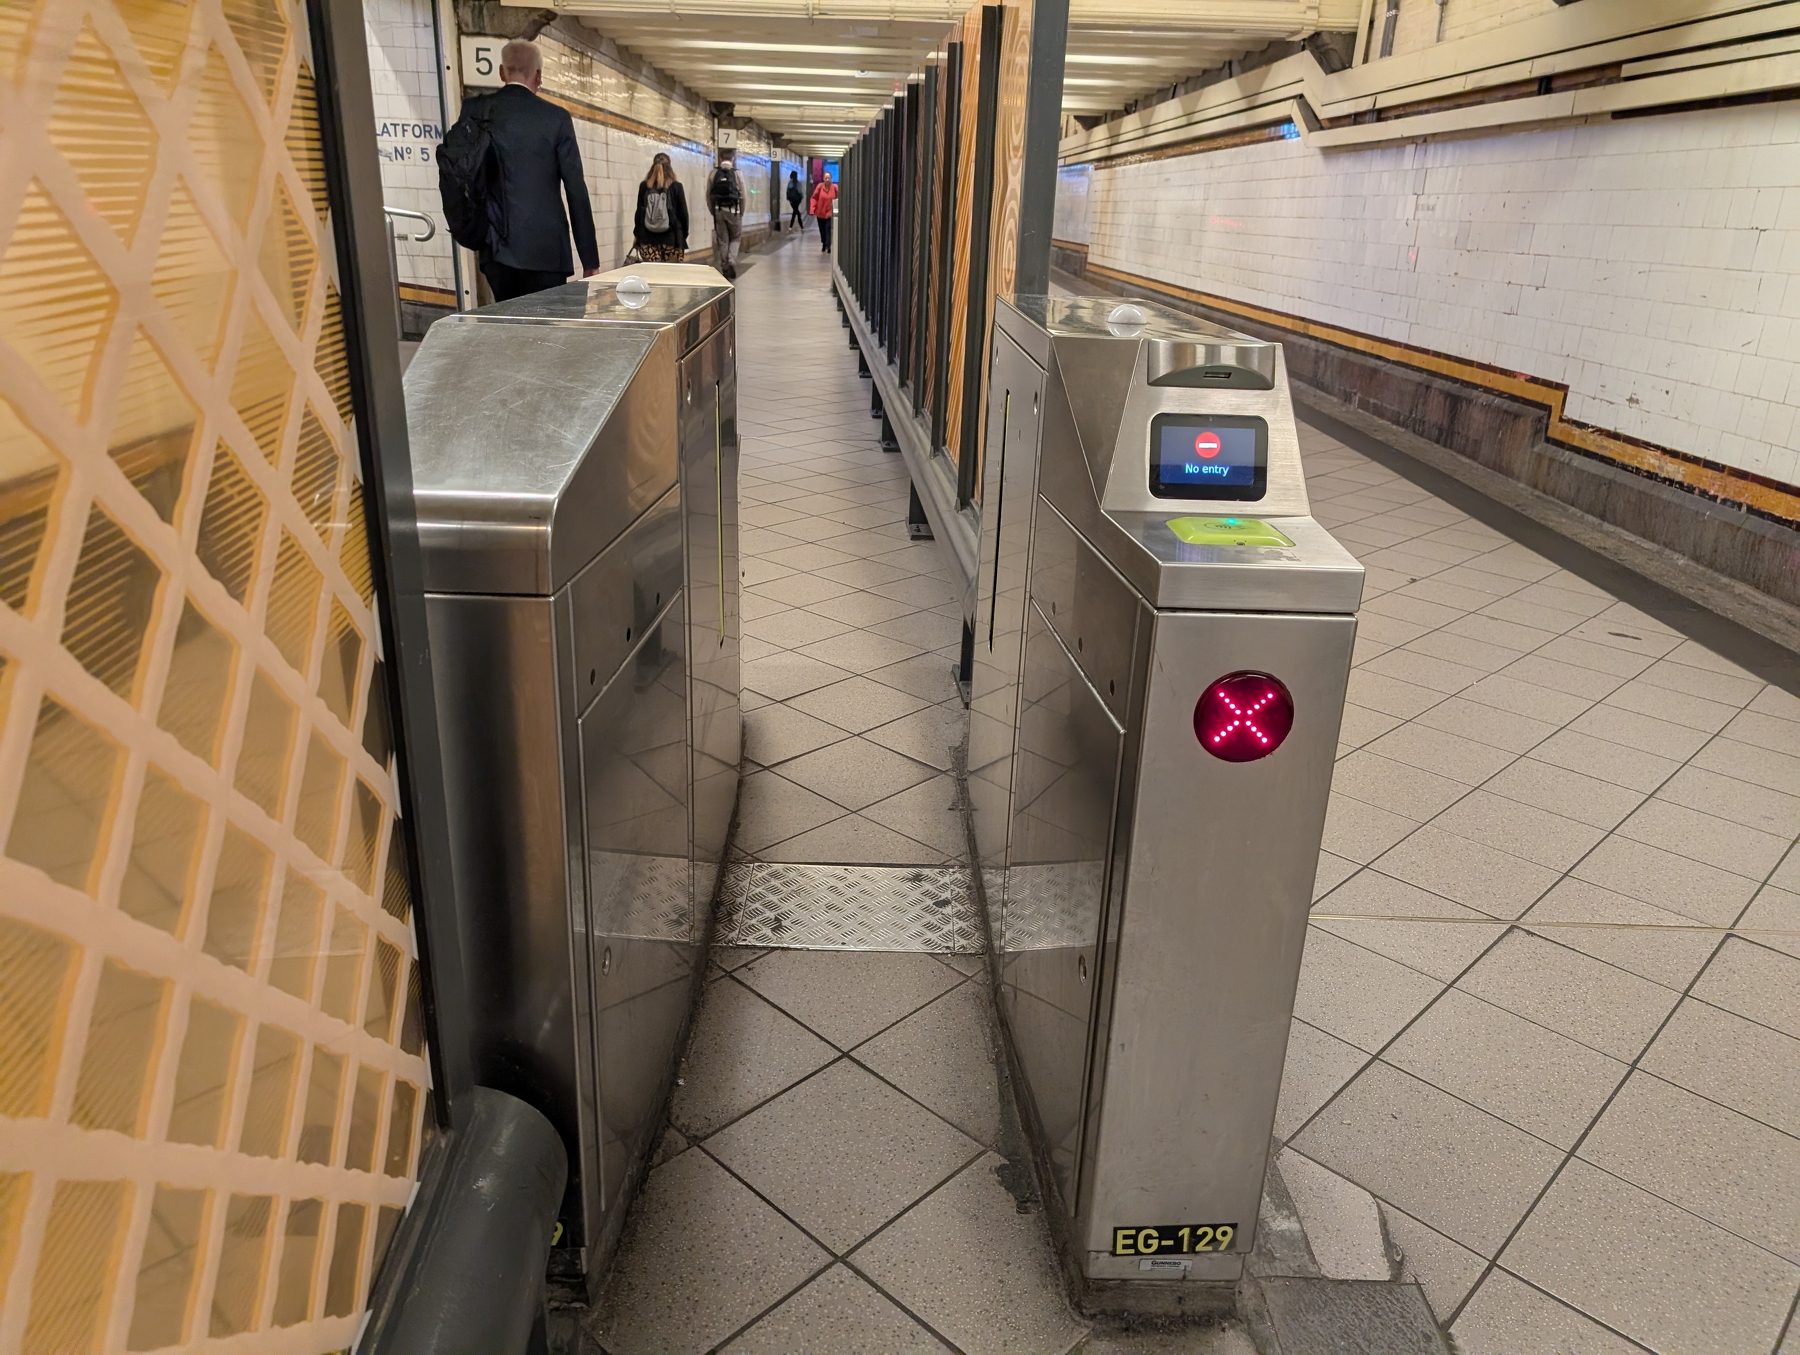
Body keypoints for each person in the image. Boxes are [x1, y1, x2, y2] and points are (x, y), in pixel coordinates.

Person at [470, 40, 598, 302]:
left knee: (508, 326)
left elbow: (468, 175)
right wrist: (589, 258)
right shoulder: (556, 118)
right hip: (546, 252)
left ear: (502, 72)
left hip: (497, 249)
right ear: (538, 75)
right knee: (546, 333)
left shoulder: (478, 111)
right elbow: (575, 189)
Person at [633, 153, 689, 262]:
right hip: (672, 239)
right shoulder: (676, 187)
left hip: (647, 239)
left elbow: (639, 213)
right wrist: (682, 235)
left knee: (652, 275)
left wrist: (637, 235)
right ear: (670, 167)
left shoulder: (644, 186)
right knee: (671, 276)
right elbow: (683, 215)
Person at [706, 152, 746, 278]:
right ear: (732, 159)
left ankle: (724, 266)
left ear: (721, 158)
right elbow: (743, 195)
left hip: (719, 211)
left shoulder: (713, 173)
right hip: (734, 211)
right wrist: (741, 212)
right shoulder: (737, 173)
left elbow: (708, 194)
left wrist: (713, 211)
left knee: (723, 240)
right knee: (735, 238)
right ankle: (731, 261)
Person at [810, 174, 839, 253]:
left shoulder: (835, 188)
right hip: (820, 213)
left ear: (831, 179)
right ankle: (824, 243)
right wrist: (812, 209)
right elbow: (814, 198)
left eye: (828, 178)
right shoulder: (820, 187)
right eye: (826, 178)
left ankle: (828, 245)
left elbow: (838, 198)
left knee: (828, 229)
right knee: (822, 230)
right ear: (823, 179)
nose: (827, 179)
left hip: (829, 213)